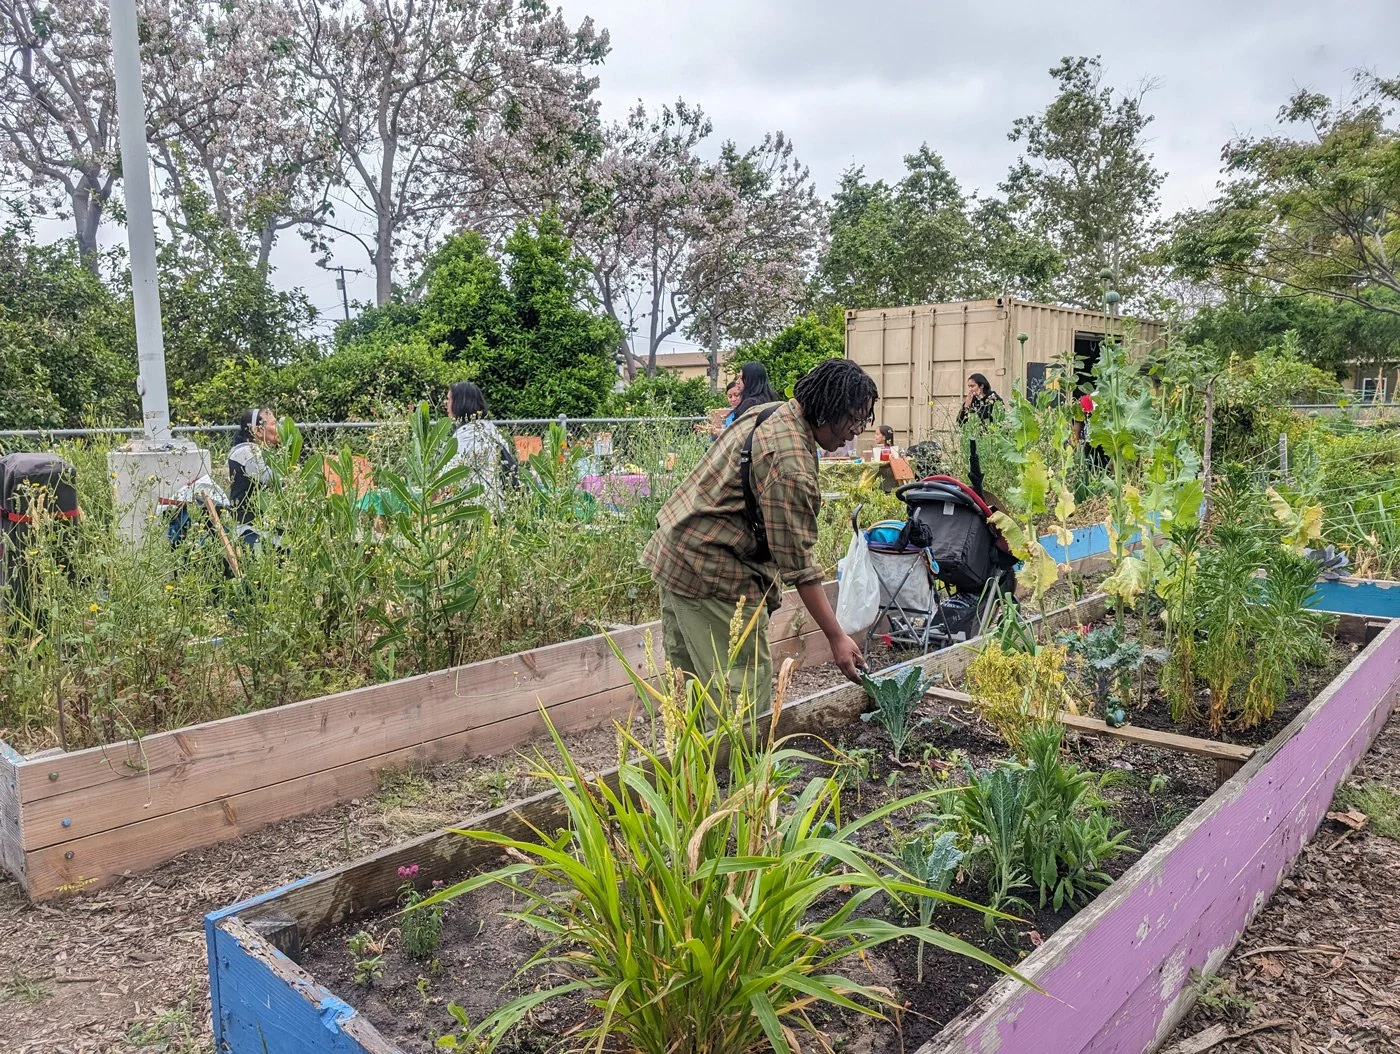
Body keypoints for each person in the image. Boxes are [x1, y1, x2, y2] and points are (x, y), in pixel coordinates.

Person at [642, 358, 878, 711]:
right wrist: (836, 636)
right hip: (713, 573)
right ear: (828, 409)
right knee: (742, 699)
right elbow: (798, 565)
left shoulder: (775, 412)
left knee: (690, 694)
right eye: (854, 418)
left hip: (677, 552)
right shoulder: (790, 463)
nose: (856, 430)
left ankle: (694, 766)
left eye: (863, 420)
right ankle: (737, 766)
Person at [443, 381, 516, 504]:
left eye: (449, 400)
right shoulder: (492, 430)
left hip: (472, 507)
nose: (446, 405)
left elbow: (448, 477)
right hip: (497, 503)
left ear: (460, 403)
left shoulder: (466, 435)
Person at [228, 407, 279, 543]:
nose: (279, 428)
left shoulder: (260, 451)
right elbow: (273, 480)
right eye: (273, 424)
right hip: (250, 531)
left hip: (265, 525)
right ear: (256, 430)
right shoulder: (246, 452)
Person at [956, 373, 1002, 498]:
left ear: (981, 386)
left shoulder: (993, 399)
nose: (970, 389)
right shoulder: (972, 401)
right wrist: (966, 405)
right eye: (969, 386)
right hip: (975, 440)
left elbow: (996, 419)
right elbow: (960, 422)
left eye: (973, 386)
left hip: (990, 441)